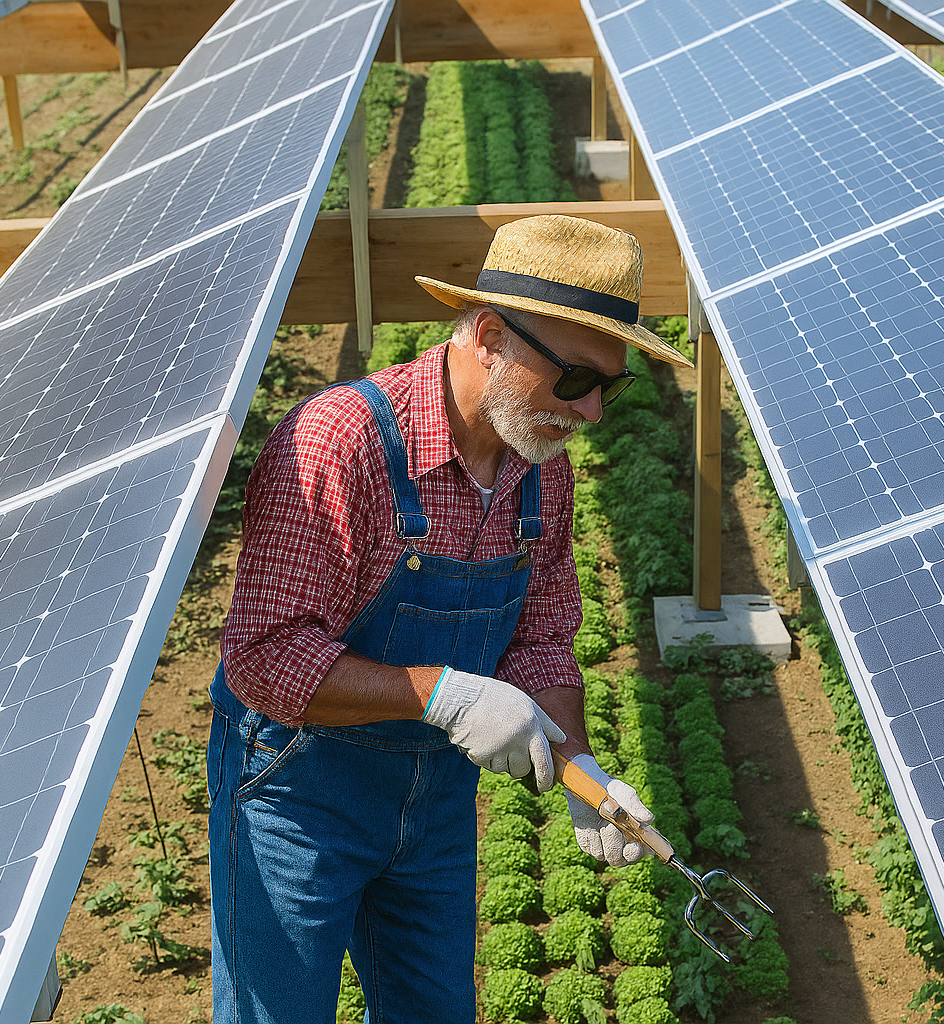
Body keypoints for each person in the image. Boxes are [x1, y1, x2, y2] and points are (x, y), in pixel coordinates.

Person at [208, 214, 694, 1024]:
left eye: (613, 385)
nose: (594, 413)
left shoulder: (540, 468)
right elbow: (263, 658)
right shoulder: (340, 444)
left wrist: (582, 769)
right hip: (298, 792)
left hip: (431, 798)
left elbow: (539, 634)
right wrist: (443, 694)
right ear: (492, 337)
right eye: (576, 380)